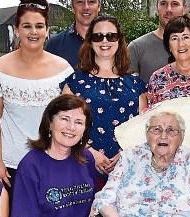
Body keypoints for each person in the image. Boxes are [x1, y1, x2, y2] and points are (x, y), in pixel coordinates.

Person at [0, 0, 73, 189]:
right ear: (16, 30)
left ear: (47, 30)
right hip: (10, 166)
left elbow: (70, 119)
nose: (33, 32)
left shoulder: (63, 70)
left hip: (53, 163)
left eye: (39, 26)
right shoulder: (0, 69)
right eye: (27, 26)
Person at [62, 14, 147, 180]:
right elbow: (63, 124)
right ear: (90, 41)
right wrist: (89, 152)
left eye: (111, 36)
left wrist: (126, 153)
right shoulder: (75, 82)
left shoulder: (136, 83)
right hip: (82, 166)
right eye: (98, 36)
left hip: (128, 169)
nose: (105, 41)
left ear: (119, 40)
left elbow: (144, 126)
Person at [128, 0, 190, 82]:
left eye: (175, 4)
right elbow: (129, 91)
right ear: (157, 7)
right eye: (163, 3)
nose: (168, 9)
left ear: (184, 8)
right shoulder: (136, 48)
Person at [45, 0, 101, 68]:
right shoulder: (54, 45)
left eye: (91, 1)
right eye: (80, 2)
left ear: (99, 7)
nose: (86, 7)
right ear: (72, 7)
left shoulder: (113, 42)